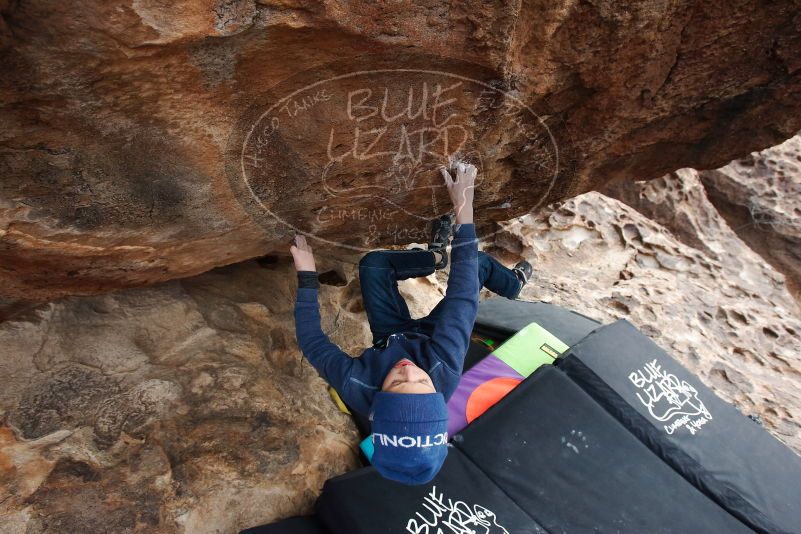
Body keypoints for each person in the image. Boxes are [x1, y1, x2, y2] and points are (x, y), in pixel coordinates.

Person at [290, 162, 533, 485]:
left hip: (390, 337)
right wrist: (464, 207)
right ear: (436, 395)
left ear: (377, 400)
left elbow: (312, 342)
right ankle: (511, 285)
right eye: (421, 384)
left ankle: (434, 258)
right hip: (432, 338)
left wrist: (307, 277)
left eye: (395, 383)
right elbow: (462, 298)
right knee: (479, 266)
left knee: (374, 265)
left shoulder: (357, 385)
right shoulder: (443, 368)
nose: (407, 370)